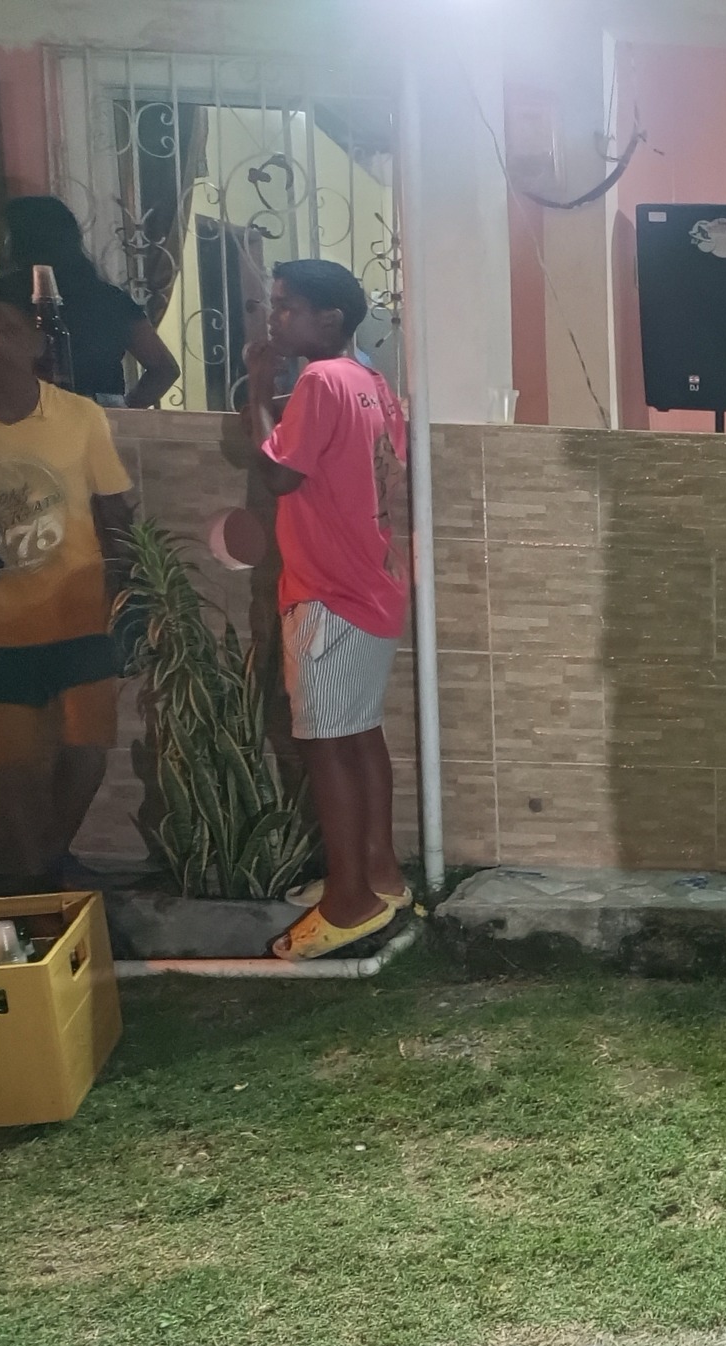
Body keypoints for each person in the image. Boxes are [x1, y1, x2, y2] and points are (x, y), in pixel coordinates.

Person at [241, 259, 410, 960]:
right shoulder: (372, 382)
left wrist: (257, 390)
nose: (274, 318)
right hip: (374, 585)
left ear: (330, 318)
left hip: (329, 593)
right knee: (360, 734)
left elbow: (281, 475)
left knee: (326, 745)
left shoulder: (318, 381)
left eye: (287, 306)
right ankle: (379, 873)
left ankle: (349, 902)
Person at [0, 278, 135, 892]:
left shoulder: (79, 417)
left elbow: (114, 512)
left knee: (87, 751)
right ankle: (38, 881)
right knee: (9, 768)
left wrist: (133, 602)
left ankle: (42, 867)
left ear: (37, 343)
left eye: (7, 330)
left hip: (80, 616)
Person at [0, 196, 180, 410]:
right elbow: (164, 369)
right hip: (95, 417)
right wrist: (118, 410)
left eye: (7, 236)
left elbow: (164, 369)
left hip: (15, 417)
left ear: (19, 241)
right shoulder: (109, 300)